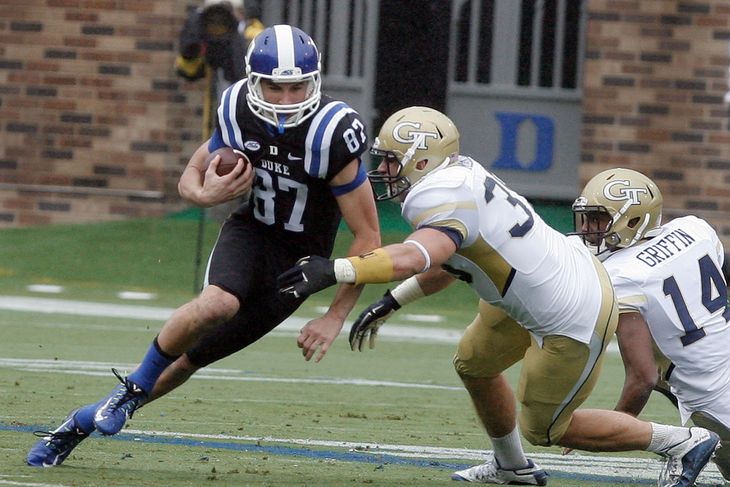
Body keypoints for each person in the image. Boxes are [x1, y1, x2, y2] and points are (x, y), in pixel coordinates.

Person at [277, 106, 720, 486]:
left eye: (391, 160)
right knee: (474, 362)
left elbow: (418, 256)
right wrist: (392, 302)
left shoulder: (436, 195)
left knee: (546, 428)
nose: (383, 170)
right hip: (535, 287)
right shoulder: (460, 174)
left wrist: (337, 268)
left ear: (421, 157)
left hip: (570, 313)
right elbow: (451, 263)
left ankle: (681, 442)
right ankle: (511, 466)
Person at [27, 24, 380, 467]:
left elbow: (368, 237)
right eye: (275, 87)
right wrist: (203, 195)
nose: (287, 100)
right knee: (216, 305)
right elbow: (190, 176)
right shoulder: (236, 107)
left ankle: (79, 422)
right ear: (254, 82)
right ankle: (131, 389)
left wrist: (333, 316)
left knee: (191, 359)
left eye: (297, 88)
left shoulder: (332, 131)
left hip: (298, 267)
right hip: (250, 233)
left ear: (315, 81)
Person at [570, 168, 730, 482]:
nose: (588, 229)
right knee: (664, 365)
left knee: (657, 368)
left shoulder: (621, 274)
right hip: (718, 370)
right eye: (586, 219)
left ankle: (689, 444)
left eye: (598, 219)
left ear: (633, 221)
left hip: (715, 405)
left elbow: (641, 378)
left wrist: (614, 426)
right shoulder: (694, 229)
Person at [175, 0, 264, 86]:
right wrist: (191, 48)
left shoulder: (254, 36)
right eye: (212, 19)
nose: (218, 24)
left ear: (240, 12)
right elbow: (187, 72)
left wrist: (236, 40)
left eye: (224, 16)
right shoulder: (206, 42)